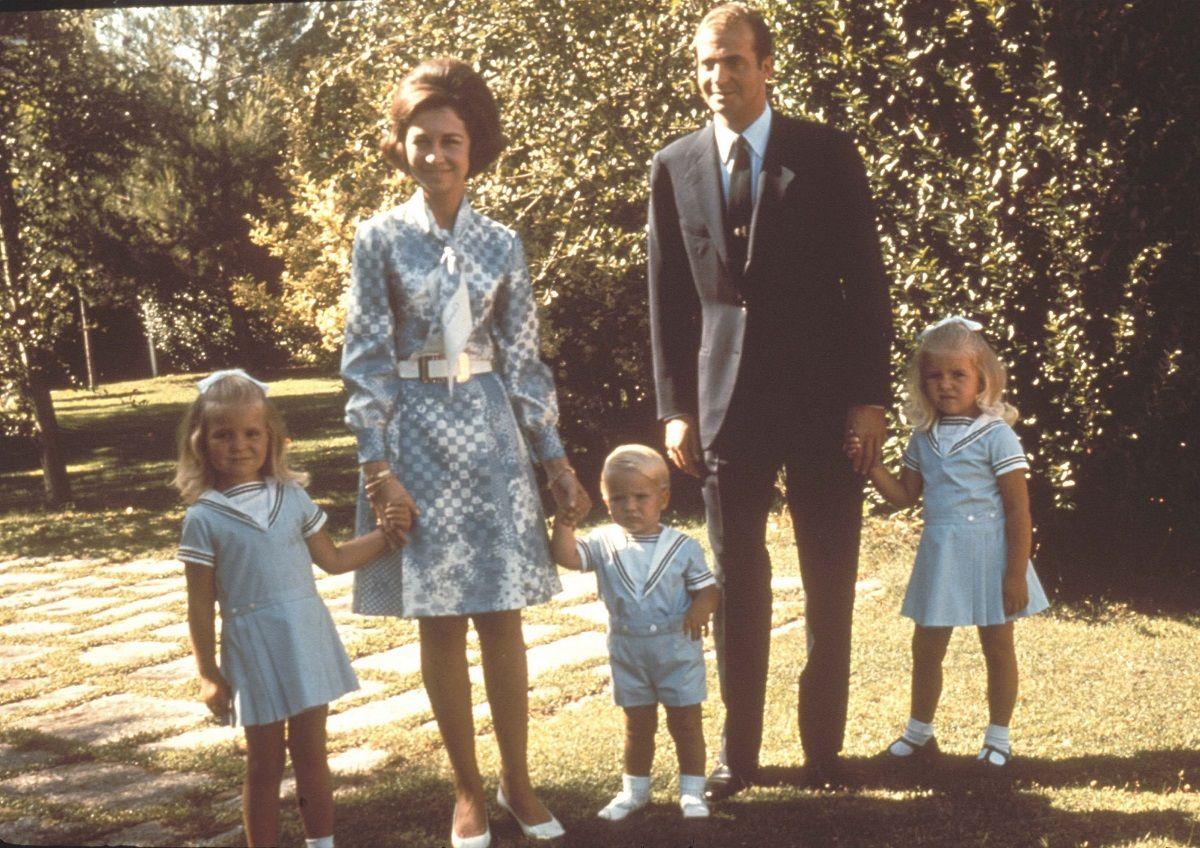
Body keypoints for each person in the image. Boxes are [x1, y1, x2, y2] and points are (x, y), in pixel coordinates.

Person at [340, 58, 591, 848]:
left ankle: (519, 779)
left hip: (489, 442)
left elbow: (522, 358)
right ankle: (467, 790)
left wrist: (554, 460)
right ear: (401, 145)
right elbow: (366, 357)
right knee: (441, 623)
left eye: (452, 141)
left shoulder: (501, 243)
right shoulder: (378, 238)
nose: (438, 155)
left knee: (502, 618)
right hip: (414, 441)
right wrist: (379, 470)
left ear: (474, 146)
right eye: (423, 141)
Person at [647, 2, 893, 798]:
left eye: (734, 62)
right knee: (738, 581)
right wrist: (675, 405)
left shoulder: (824, 153)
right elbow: (667, 300)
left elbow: (867, 283)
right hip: (726, 411)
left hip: (825, 404)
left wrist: (868, 396)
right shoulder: (674, 165)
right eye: (706, 65)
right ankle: (738, 755)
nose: (719, 78)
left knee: (829, 576)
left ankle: (824, 749)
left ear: (766, 66)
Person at [174, 369, 393, 848]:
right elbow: (199, 604)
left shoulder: (292, 497)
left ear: (271, 438)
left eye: (252, 433)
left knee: (312, 751)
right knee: (264, 761)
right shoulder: (204, 517)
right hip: (252, 646)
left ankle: (322, 842)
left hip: (305, 632)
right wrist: (208, 671)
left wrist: (385, 535)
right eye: (224, 435)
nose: (239, 445)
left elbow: (333, 560)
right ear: (201, 443)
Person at [845, 316, 1049, 771]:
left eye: (958, 374)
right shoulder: (924, 437)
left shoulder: (997, 434)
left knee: (997, 645)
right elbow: (902, 496)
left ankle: (998, 738)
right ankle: (919, 733)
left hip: (990, 554)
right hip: (941, 553)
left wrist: (1015, 572)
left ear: (983, 379)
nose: (946, 384)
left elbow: (1019, 510)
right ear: (922, 383)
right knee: (927, 646)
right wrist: (871, 465)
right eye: (935, 376)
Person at [550, 445, 721, 820]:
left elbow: (708, 589)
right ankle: (634, 791)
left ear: (663, 498)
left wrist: (700, 608)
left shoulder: (682, 546)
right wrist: (564, 522)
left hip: (677, 648)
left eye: (640, 497)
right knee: (636, 725)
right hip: (629, 651)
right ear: (606, 501)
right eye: (619, 498)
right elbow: (566, 557)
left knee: (686, 723)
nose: (630, 506)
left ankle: (692, 791)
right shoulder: (602, 542)